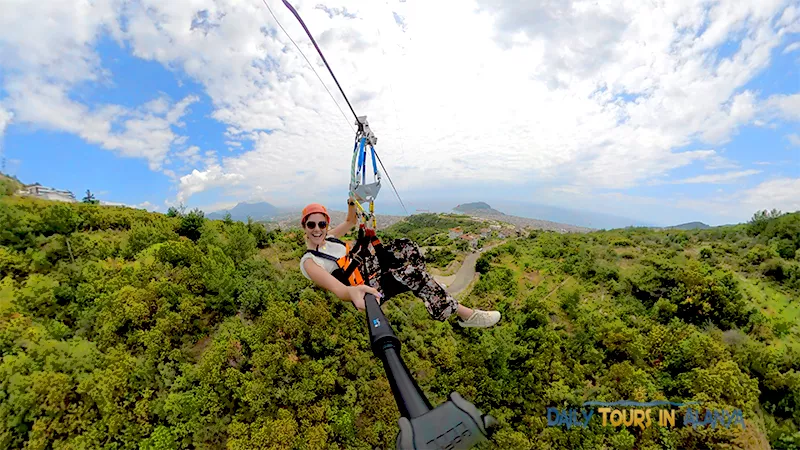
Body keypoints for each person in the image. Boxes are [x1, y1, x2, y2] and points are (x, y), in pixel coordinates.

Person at [298, 200, 501, 328]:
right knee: (412, 275)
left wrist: (353, 201)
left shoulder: (330, 238)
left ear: (327, 224)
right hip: (364, 286)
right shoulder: (310, 262)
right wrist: (352, 293)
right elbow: (338, 289)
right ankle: (467, 316)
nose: (317, 229)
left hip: (369, 267)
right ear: (304, 227)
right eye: (311, 224)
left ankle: (431, 288)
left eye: (321, 224)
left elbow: (350, 221)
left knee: (407, 247)